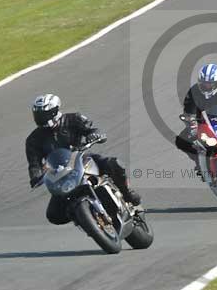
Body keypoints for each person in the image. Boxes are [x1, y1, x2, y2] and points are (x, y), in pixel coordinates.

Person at [25, 93, 141, 225]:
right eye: (38, 115)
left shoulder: (73, 119)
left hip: (82, 159)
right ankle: (84, 219)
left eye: (44, 114)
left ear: (54, 111)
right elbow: (34, 163)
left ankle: (127, 193)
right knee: (53, 215)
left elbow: (92, 129)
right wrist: (36, 177)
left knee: (114, 164)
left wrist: (94, 135)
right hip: (60, 175)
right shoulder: (33, 139)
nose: (40, 118)